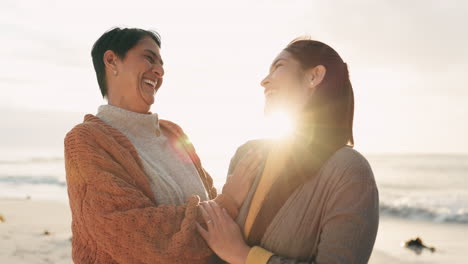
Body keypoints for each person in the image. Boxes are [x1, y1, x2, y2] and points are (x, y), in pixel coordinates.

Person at [64, 27, 261, 264]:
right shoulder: (87, 139)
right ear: (111, 60)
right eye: (148, 58)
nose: (159, 71)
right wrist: (228, 203)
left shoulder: (174, 133)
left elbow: (209, 201)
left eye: (161, 64)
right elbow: (132, 236)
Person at [197, 38, 379, 264]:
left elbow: (230, 250)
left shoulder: (349, 170)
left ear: (313, 77)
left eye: (278, 67)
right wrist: (228, 202)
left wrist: (244, 255)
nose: (264, 81)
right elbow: (215, 245)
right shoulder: (248, 155)